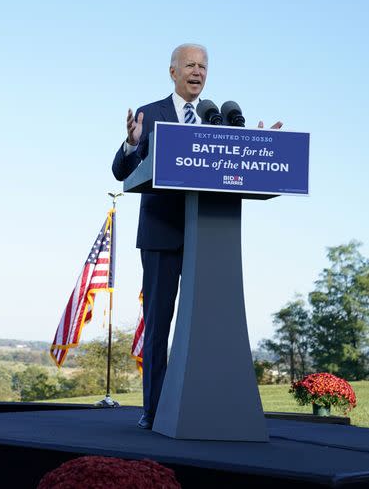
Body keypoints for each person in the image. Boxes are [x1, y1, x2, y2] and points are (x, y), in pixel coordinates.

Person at [112, 43, 281, 429]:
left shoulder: (217, 119)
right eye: (189, 65)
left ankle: (211, 406)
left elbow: (233, 167)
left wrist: (259, 148)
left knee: (211, 325)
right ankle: (153, 410)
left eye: (203, 66)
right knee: (159, 326)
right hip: (161, 234)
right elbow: (120, 170)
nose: (197, 72)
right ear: (172, 71)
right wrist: (134, 144)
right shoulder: (149, 114)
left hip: (208, 239)